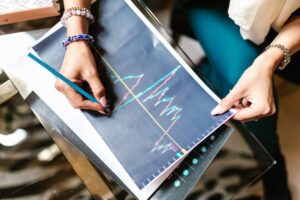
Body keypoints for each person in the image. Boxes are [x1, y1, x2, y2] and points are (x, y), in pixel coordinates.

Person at [58, 0, 299, 199]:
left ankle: (272, 166)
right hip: (216, 6)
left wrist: (269, 61)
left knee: (245, 89)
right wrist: (76, 38)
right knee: (237, 74)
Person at [171, 0, 299, 199]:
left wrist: (268, 61)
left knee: (242, 82)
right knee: (239, 78)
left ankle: (210, 75)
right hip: (217, 4)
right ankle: (273, 160)